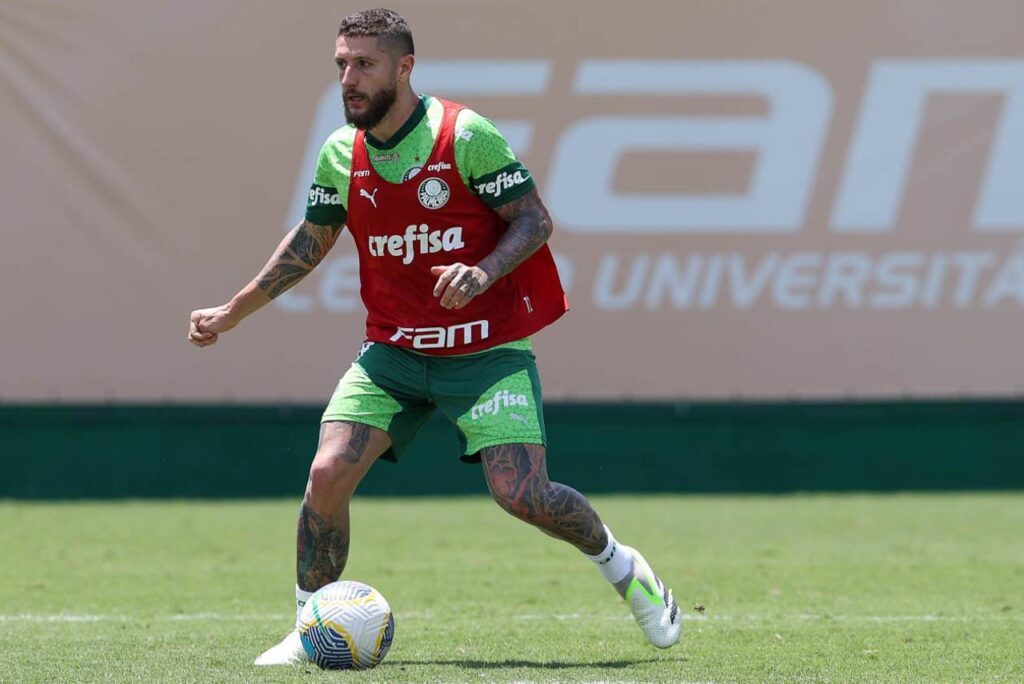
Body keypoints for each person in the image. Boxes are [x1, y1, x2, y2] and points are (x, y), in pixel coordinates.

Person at [188, 8, 681, 665]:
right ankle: (310, 628)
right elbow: (310, 243)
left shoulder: (465, 134)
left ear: (404, 67)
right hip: (394, 353)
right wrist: (234, 311)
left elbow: (534, 219)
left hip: (486, 351)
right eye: (341, 64)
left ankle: (622, 566)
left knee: (523, 496)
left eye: (363, 64)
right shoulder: (344, 152)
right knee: (327, 472)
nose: (349, 78)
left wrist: (482, 272)